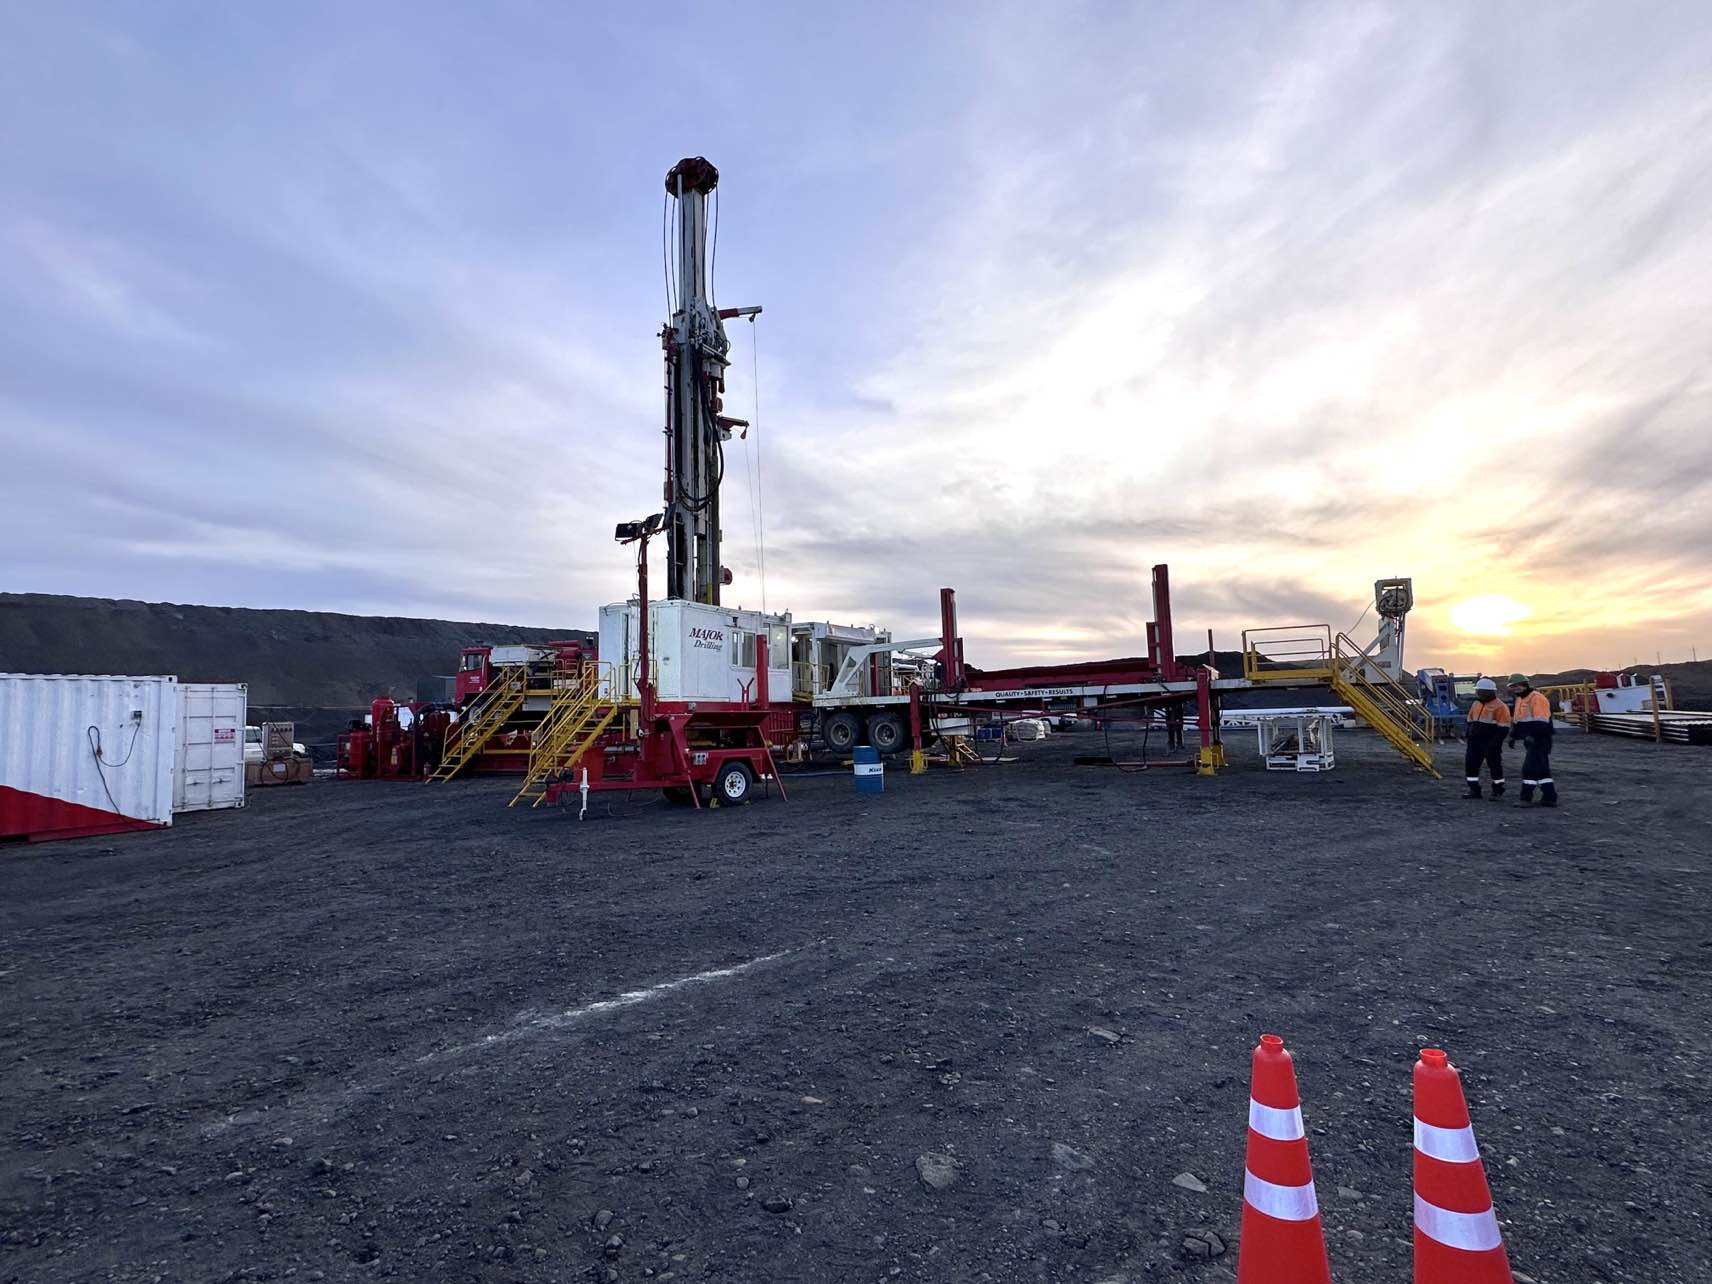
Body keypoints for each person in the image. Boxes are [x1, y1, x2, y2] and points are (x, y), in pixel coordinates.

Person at [1507, 673, 1557, 806]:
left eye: (1517, 686)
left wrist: (1533, 735)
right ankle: (1550, 798)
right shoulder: (1520, 699)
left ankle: (1526, 798)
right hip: (1531, 740)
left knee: (1529, 769)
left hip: (1540, 739)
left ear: (1524, 685)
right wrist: (1513, 736)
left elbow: (1542, 722)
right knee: (1542, 770)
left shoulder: (1537, 698)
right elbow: (1519, 721)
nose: (1515, 688)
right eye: (1512, 686)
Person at [1462, 677, 1510, 799]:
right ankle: (1474, 790)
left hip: (1490, 742)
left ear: (1489, 692)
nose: (1478, 694)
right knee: (1471, 766)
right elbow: (1470, 720)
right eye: (1478, 691)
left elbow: (1504, 727)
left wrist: (1495, 743)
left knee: (1494, 767)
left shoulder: (1500, 706)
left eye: (1480, 691)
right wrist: (1468, 733)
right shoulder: (1476, 704)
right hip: (1474, 742)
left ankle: (1498, 790)